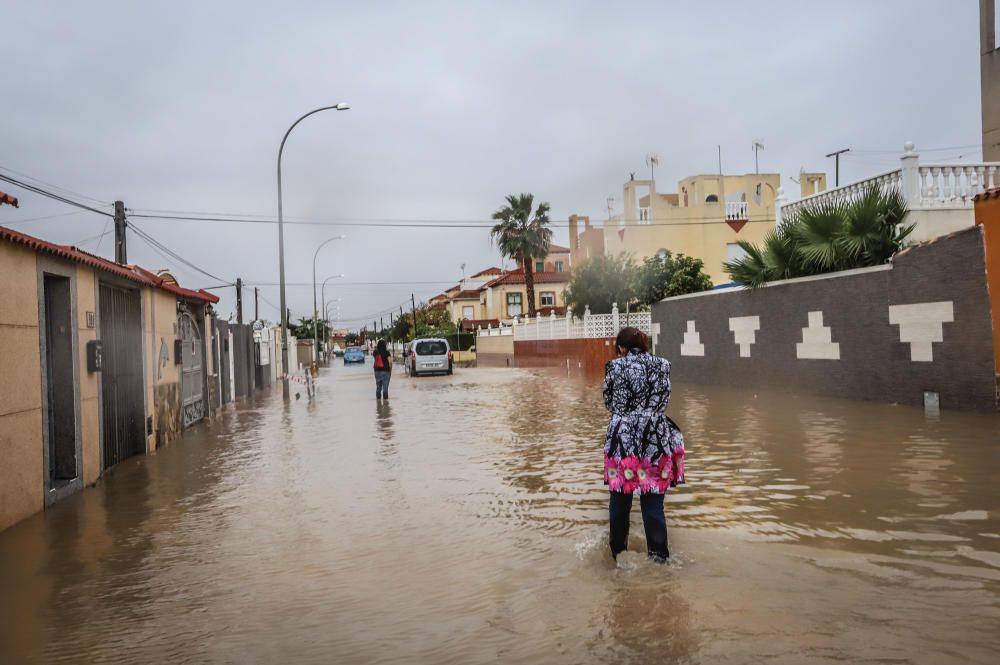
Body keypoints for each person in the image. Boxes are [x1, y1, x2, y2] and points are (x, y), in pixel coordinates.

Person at [602, 327, 685, 562]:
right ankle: (659, 558)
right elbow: (665, 398)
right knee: (653, 500)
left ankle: (617, 554)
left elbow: (609, 401)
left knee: (620, 498)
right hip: (655, 437)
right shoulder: (663, 365)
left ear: (621, 347)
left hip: (623, 438)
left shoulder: (614, 367)